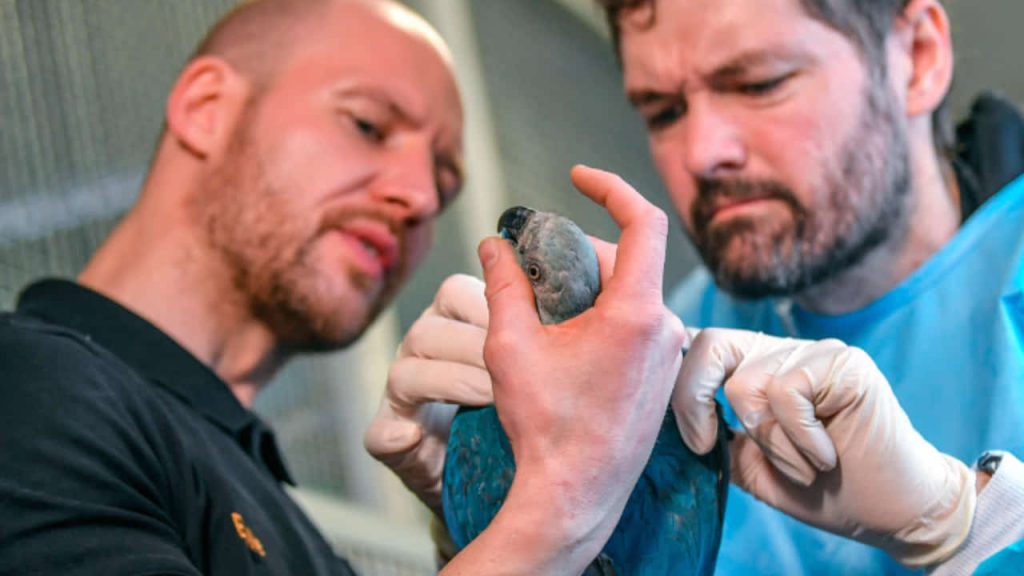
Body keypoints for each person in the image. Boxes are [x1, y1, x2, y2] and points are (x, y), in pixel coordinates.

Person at [0, 0, 688, 574]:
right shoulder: (27, 390)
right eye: (366, 125)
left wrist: (486, 519)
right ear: (207, 108)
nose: (420, 197)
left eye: (444, 186)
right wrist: (561, 503)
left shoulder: (264, 502)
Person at [366, 0, 1024, 573]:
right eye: (662, 110)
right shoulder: (663, 354)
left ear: (918, 56)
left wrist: (966, 522)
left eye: (759, 82)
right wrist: (484, 518)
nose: (703, 152)